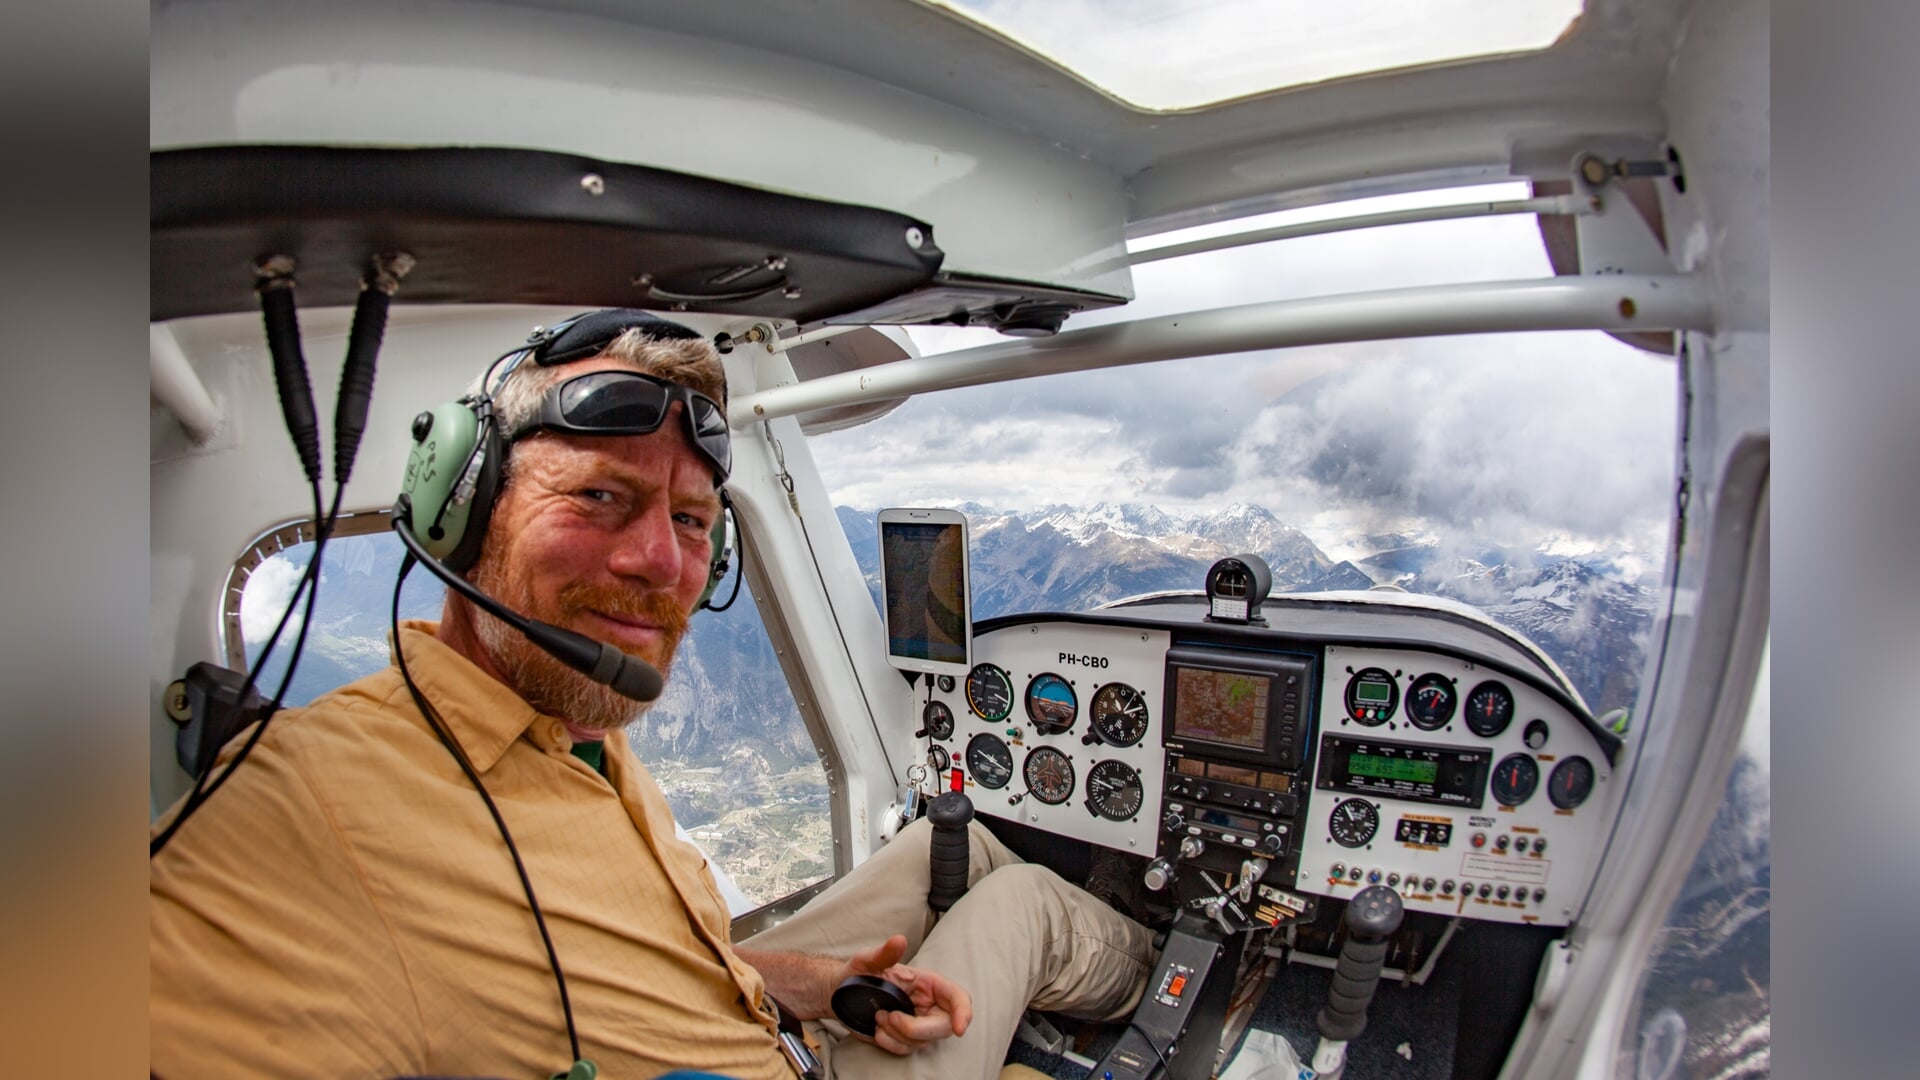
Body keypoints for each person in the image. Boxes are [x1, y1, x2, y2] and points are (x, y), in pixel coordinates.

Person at [150, 311, 1156, 1080]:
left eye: (692, 518)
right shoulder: (301, 800)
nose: (658, 562)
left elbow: (621, 969)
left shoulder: (575, 716)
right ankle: (1194, 977)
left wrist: (807, 984)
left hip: (759, 1008)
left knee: (971, 839)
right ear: (461, 508)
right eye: (598, 496)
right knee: (1023, 893)